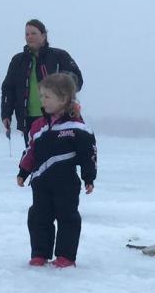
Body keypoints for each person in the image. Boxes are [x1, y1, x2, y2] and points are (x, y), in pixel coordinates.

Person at [16, 74, 96, 268]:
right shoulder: (38, 126)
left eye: (47, 96)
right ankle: (39, 254)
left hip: (66, 184)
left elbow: (88, 153)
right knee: (38, 217)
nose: (42, 100)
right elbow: (30, 150)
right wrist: (23, 171)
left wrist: (88, 177)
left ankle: (65, 256)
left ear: (64, 99)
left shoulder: (77, 127)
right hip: (41, 182)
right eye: (41, 96)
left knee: (67, 218)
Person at [1, 19, 82, 147]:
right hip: (29, 120)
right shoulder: (18, 61)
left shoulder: (59, 56)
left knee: (58, 157)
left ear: (43, 36)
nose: (29, 37)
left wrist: (63, 84)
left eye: (33, 33)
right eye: (27, 34)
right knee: (34, 157)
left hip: (57, 117)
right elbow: (8, 89)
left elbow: (77, 80)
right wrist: (6, 113)